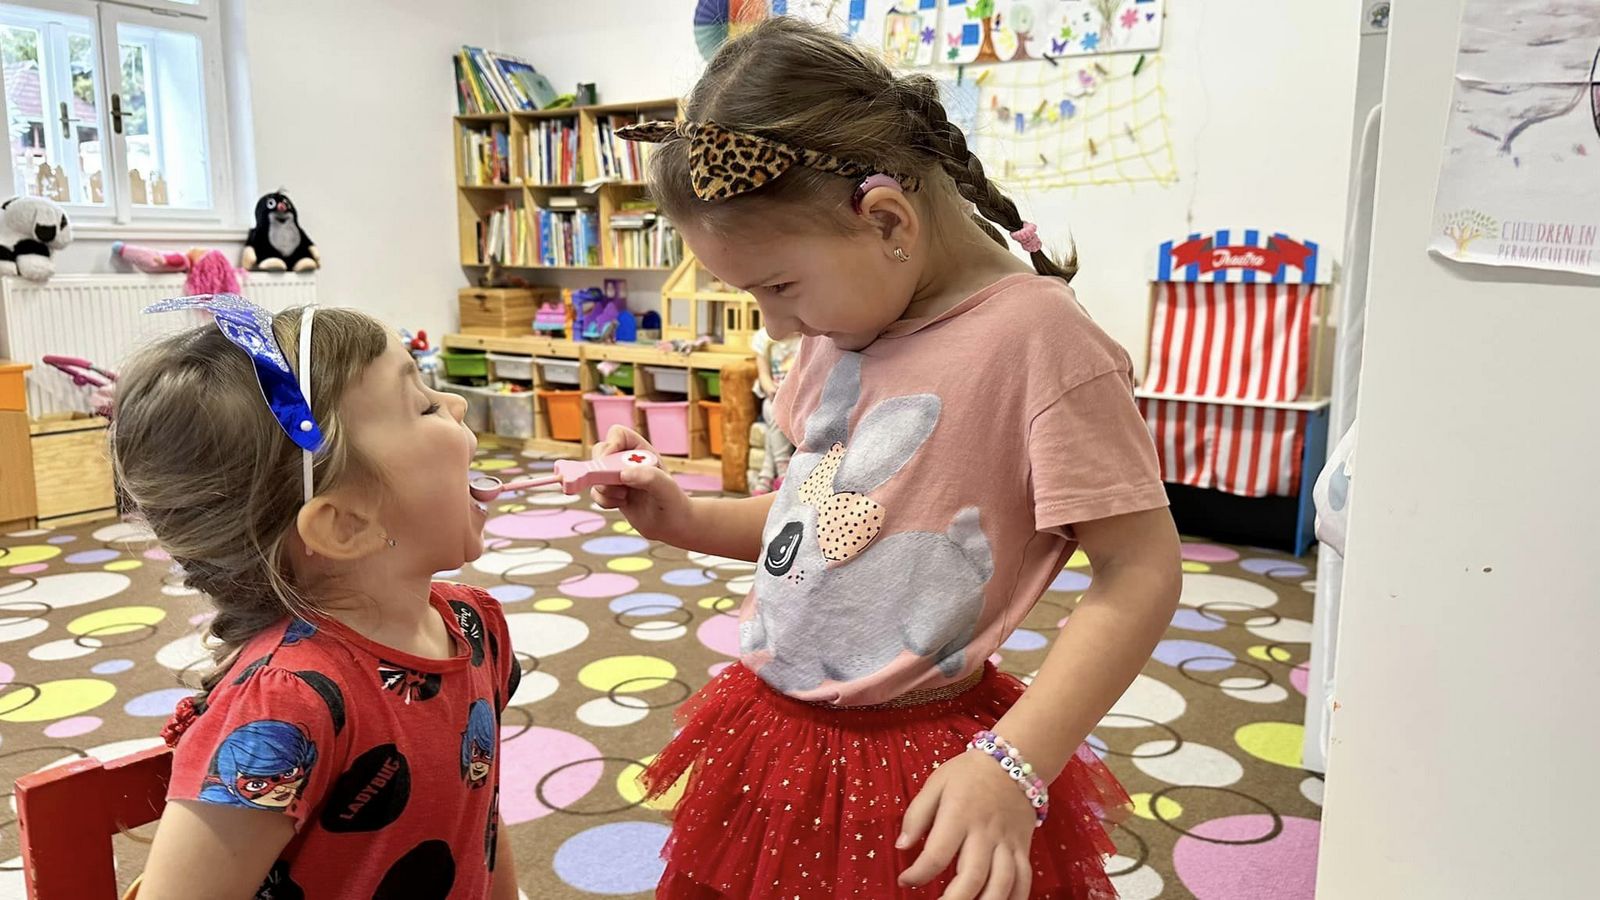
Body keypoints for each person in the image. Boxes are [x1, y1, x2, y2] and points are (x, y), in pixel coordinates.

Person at [591, 17, 1182, 900]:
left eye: (778, 287)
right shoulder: (839, 325)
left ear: (886, 220)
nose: (776, 326)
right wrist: (681, 516)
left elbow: (1140, 572)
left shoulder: (1043, 342)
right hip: (772, 729)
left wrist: (1018, 762)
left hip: (919, 759)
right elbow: (812, 524)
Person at [110, 296, 519, 899]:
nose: (456, 404)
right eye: (425, 405)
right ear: (345, 525)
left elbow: (481, 815)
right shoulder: (284, 706)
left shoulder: (473, 625)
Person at [749, 325, 801, 494]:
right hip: (773, 397)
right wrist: (771, 390)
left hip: (798, 398)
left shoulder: (807, 338)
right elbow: (763, 374)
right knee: (774, 410)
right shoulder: (763, 339)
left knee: (776, 417)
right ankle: (783, 471)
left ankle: (765, 477)